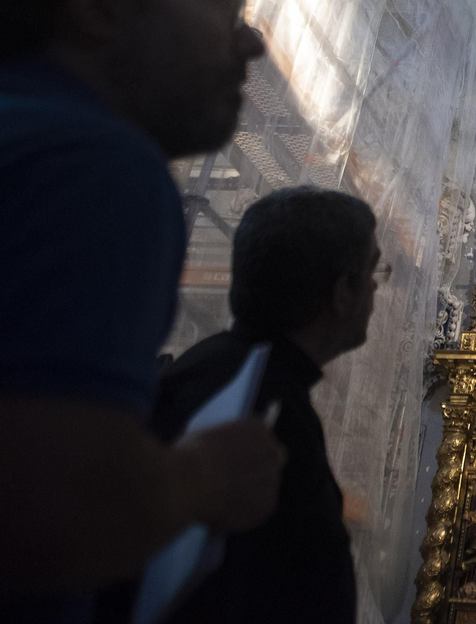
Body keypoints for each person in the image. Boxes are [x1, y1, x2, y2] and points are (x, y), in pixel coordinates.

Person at [0, 0, 281, 622]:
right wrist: (205, 476)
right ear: (99, 8)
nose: (251, 44)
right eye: (221, 8)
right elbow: (50, 518)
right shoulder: (92, 163)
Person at [136, 185, 382, 624]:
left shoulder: (226, 373)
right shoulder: (257, 407)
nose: (374, 288)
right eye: (370, 271)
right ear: (342, 290)